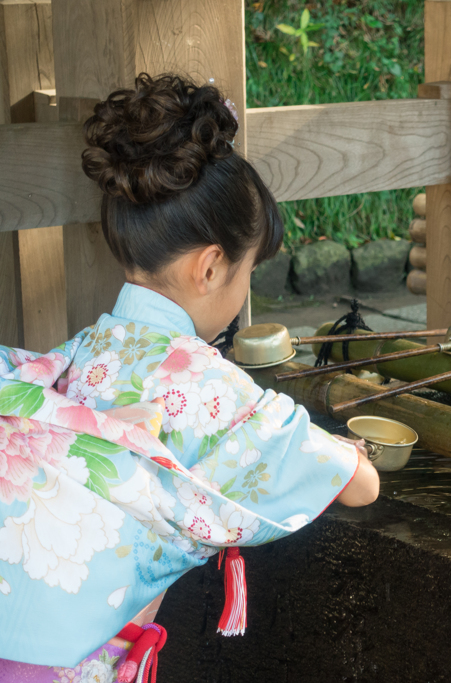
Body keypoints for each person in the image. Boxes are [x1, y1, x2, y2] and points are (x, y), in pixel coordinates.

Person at [0, 73, 379, 682]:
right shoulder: (205, 388)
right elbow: (359, 486)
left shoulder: (75, 356)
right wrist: (349, 451)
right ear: (210, 268)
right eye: (248, 272)